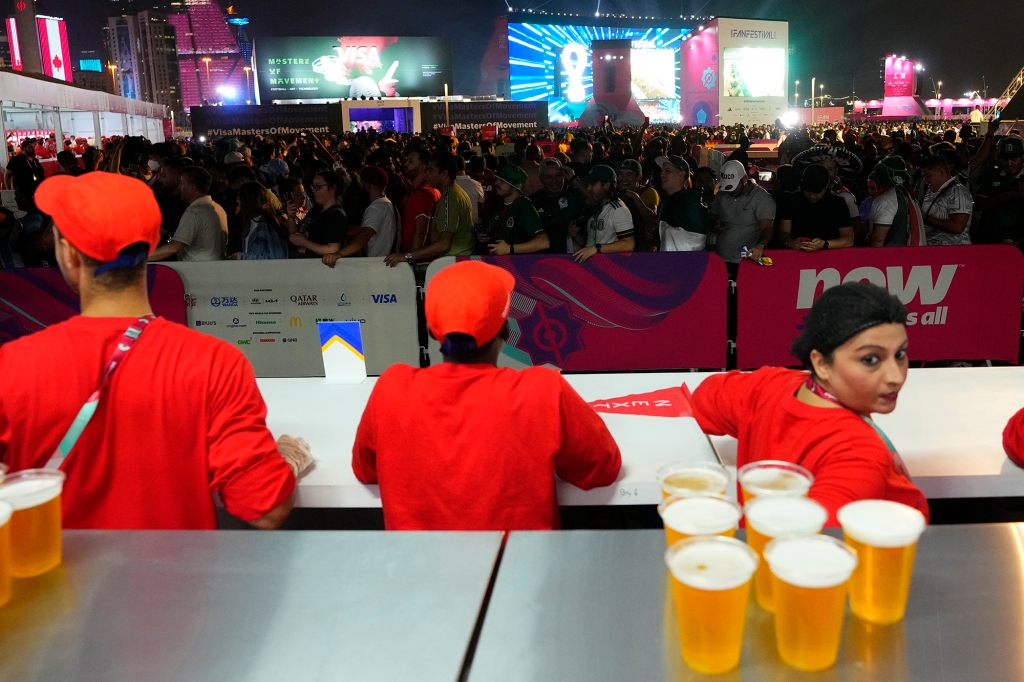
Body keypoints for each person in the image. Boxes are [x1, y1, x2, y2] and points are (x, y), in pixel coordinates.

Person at [0, 172, 310, 529]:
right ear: (149, 248)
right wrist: (286, 456)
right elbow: (266, 509)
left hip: (54, 580)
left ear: (68, 256)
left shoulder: (13, 366)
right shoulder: (214, 363)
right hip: (183, 583)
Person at [351, 260, 621, 530]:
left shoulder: (393, 388)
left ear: (434, 332)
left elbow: (366, 471)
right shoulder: (542, 389)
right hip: (522, 569)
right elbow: (602, 468)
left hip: (417, 570)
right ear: (506, 330)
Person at [691, 282, 929, 525]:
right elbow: (810, 545)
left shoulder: (770, 385)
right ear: (822, 364)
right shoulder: (859, 452)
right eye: (870, 359)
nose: (896, 376)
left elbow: (705, 398)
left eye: (900, 354)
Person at [384, 153, 475, 267]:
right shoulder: (454, 193)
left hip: (453, 262)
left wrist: (408, 256)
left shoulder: (449, 198)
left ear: (444, 174)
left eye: (431, 170)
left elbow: (443, 243)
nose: (428, 174)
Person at [322, 166, 397, 266]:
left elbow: (365, 235)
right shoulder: (388, 204)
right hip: (383, 265)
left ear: (368, 185)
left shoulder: (377, 208)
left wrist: (338, 254)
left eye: (362, 182)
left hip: (377, 266)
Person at [149, 167, 228, 262]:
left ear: (192, 188)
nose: (179, 187)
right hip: (214, 267)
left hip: (195, 271)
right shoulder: (218, 208)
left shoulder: (194, 213)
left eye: (182, 183)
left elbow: (175, 247)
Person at [711, 159, 775, 266]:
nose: (730, 192)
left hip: (747, 261)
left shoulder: (761, 198)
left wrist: (760, 245)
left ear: (745, 179)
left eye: (734, 187)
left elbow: (767, 228)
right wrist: (715, 225)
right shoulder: (722, 194)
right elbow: (711, 218)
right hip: (721, 259)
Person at [777, 164, 854, 251]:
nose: (812, 196)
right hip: (796, 254)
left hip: (829, 256)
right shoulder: (791, 201)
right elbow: (783, 232)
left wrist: (824, 244)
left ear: (826, 186)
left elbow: (849, 240)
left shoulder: (837, 203)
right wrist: (790, 242)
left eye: (817, 192)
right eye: (808, 191)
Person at [572, 165, 635, 263]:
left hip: (609, 268)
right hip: (594, 266)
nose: (588, 188)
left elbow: (629, 244)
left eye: (592, 184)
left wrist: (596, 248)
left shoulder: (618, 209)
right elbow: (591, 244)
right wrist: (576, 236)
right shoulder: (596, 207)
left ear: (606, 185)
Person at [487, 165, 549, 255]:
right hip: (501, 264)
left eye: (502, 181)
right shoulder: (501, 205)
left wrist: (510, 249)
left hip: (517, 265)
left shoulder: (524, 207)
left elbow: (544, 242)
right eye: (498, 179)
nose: (496, 183)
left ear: (514, 186)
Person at [973, 136, 1024, 245]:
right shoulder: (992, 176)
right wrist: (1002, 197)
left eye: (1014, 159)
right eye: (1005, 160)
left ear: (1022, 157)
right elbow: (977, 205)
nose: (1009, 164)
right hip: (993, 241)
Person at [285, 170, 346, 258]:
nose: (314, 191)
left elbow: (332, 249)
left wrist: (304, 242)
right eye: (313, 187)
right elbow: (296, 235)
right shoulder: (316, 209)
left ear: (332, 188)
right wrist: (291, 217)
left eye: (318, 187)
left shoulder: (336, 216)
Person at [867, 156, 925, 247]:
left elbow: (878, 239)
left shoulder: (887, 200)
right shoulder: (908, 195)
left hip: (891, 257)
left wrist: (872, 259)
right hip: (909, 256)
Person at [530, 158, 585, 254]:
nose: (554, 181)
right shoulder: (534, 201)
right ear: (541, 179)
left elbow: (595, 198)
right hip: (542, 258)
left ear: (564, 176)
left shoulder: (574, 195)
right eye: (548, 177)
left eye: (558, 176)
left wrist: (573, 179)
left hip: (572, 258)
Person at [656, 155, 708, 252]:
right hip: (671, 263)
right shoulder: (667, 203)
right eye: (662, 171)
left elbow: (697, 240)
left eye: (667, 171)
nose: (662, 174)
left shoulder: (690, 204)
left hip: (686, 264)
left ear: (681, 174)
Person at [918, 154, 973, 246]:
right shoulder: (931, 191)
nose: (925, 180)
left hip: (953, 252)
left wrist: (925, 218)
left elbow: (957, 227)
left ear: (941, 172)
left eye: (928, 176)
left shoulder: (958, 192)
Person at [232, 181, 288, 260]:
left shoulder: (266, 225)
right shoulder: (249, 223)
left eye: (239, 199)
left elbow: (277, 256)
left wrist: (242, 257)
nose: (238, 203)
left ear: (246, 200)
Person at [398, 148, 440, 253]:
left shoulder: (423, 193)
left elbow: (421, 232)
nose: (405, 164)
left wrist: (411, 259)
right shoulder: (428, 189)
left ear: (422, 168)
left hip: (418, 261)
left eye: (410, 161)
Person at [3, 139, 44, 211]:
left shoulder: (35, 160)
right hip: (23, 193)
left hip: (37, 191)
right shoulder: (16, 160)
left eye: (33, 147)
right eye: (30, 147)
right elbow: (7, 175)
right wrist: (9, 191)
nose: (33, 149)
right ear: (23, 149)